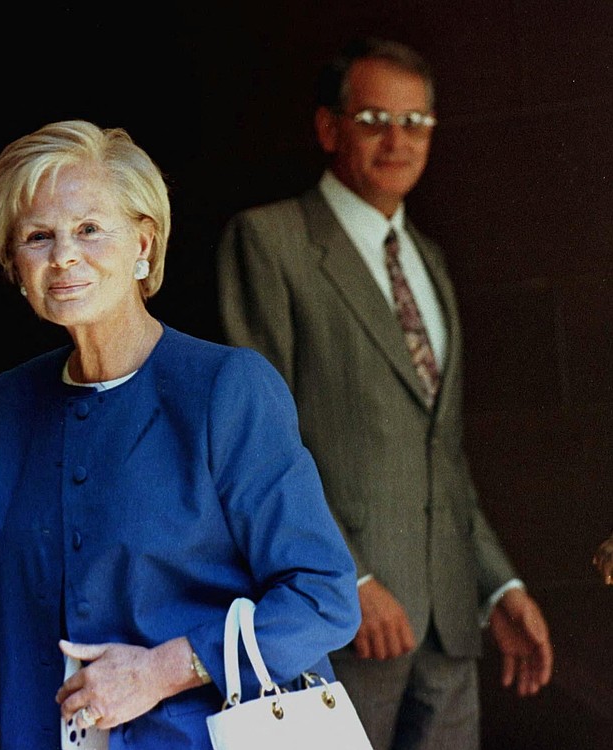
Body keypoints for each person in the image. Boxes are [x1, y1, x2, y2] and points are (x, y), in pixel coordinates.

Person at [0, 119, 362, 749]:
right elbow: (17, 600)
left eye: (89, 229)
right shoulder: (10, 402)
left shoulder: (225, 388)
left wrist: (163, 670)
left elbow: (323, 598)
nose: (64, 255)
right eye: (37, 237)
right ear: (13, 266)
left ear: (144, 243)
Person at [214, 36, 553, 750]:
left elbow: (442, 455)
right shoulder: (269, 242)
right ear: (329, 129)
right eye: (373, 119)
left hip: (448, 625)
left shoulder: (426, 258)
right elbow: (258, 446)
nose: (398, 140)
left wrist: (498, 587)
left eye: (416, 122)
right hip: (341, 619)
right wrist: (351, 577)